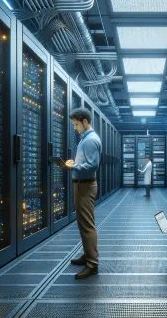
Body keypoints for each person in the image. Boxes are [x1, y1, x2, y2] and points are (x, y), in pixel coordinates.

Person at [65, 108, 102, 279]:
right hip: (82, 185)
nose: (75, 128)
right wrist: (75, 163)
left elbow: (93, 165)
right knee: (83, 224)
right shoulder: (86, 139)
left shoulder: (90, 140)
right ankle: (87, 255)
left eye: (76, 124)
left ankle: (92, 264)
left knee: (87, 225)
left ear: (85, 121)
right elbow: (87, 162)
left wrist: (74, 166)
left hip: (85, 186)